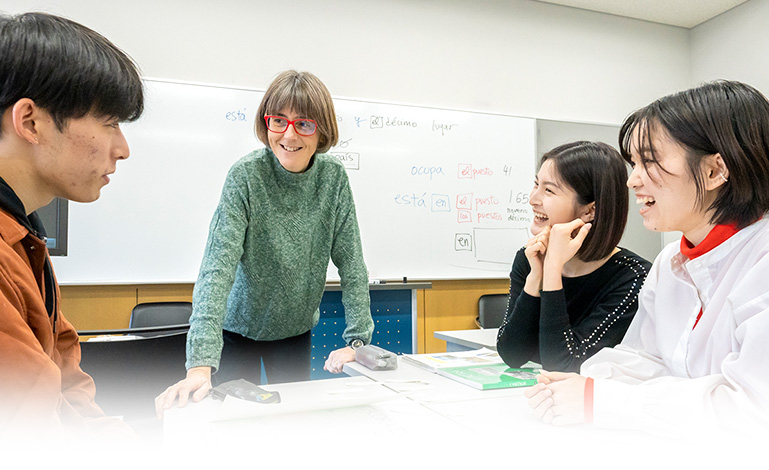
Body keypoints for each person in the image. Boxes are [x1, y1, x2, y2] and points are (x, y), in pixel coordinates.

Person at [525, 80, 769, 434]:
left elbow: (753, 410)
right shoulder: (671, 263)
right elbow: (644, 359)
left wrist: (599, 400)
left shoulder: (761, 261)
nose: (632, 181)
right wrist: (574, 385)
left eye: (649, 161)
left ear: (715, 171)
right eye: (633, 163)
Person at [155, 70, 374, 414]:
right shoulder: (246, 176)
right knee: (231, 425)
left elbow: (352, 262)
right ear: (265, 124)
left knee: (291, 425)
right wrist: (200, 364)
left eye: (304, 124)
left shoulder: (333, 179)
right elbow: (217, 268)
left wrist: (357, 341)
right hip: (236, 332)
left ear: (322, 131)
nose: (289, 134)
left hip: (294, 333)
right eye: (278, 121)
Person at [0, 12, 144, 429]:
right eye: (110, 123)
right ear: (30, 122)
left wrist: (94, 433)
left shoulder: (24, 235)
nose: (123, 149)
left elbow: (62, 357)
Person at [496, 142, 651, 372]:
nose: (532, 199)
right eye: (536, 184)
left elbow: (565, 363)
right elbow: (512, 354)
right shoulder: (530, 259)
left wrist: (552, 272)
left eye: (548, 190)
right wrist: (535, 278)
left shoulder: (633, 277)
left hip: (589, 404)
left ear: (589, 211)